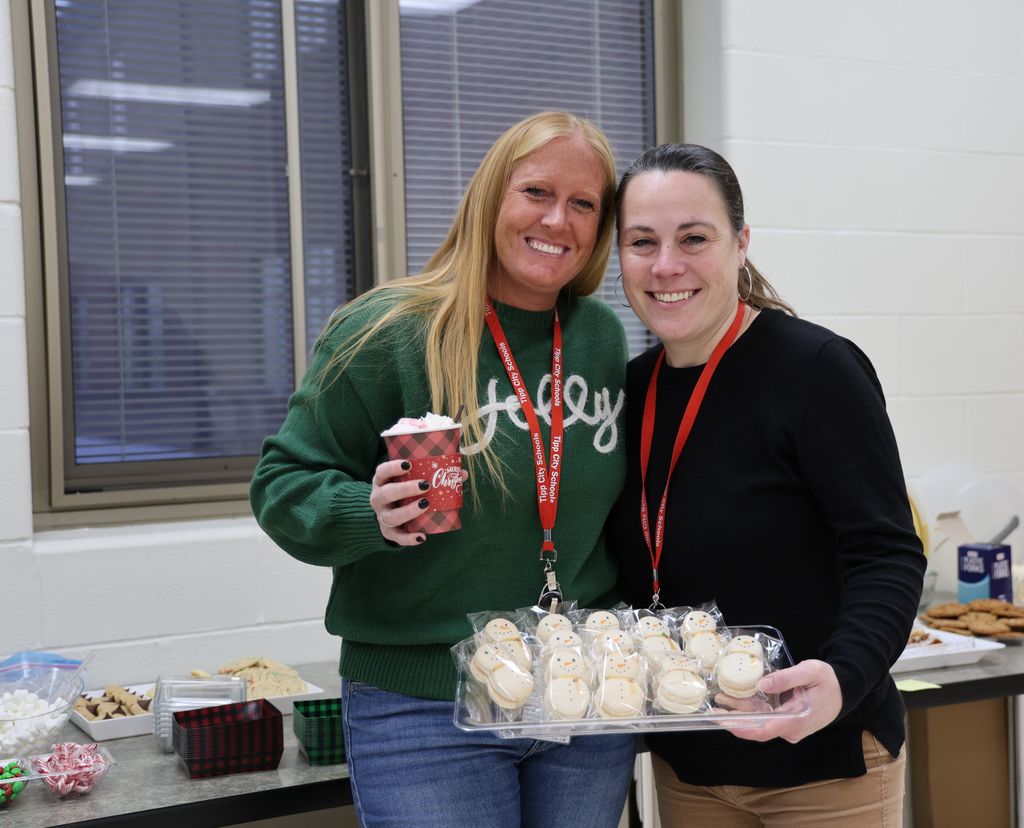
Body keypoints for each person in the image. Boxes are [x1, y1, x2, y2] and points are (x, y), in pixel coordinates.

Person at [250, 111, 637, 828]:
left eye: (584, 203)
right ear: (491, 197)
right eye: (536, 192)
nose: (558, 219)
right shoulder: (387, 331)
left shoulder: (601, 337)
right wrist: (366, 512)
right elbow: (281, 484)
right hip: (425, 707)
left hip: (578, 694)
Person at [608, 143, 925, 827]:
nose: (666, 265)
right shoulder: (630, 392)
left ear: (741, 244)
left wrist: (842, 678)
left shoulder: (816, 370)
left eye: (694, 239)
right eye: (642, 242)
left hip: (823, 762)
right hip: (690, 765)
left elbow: (888, 554)